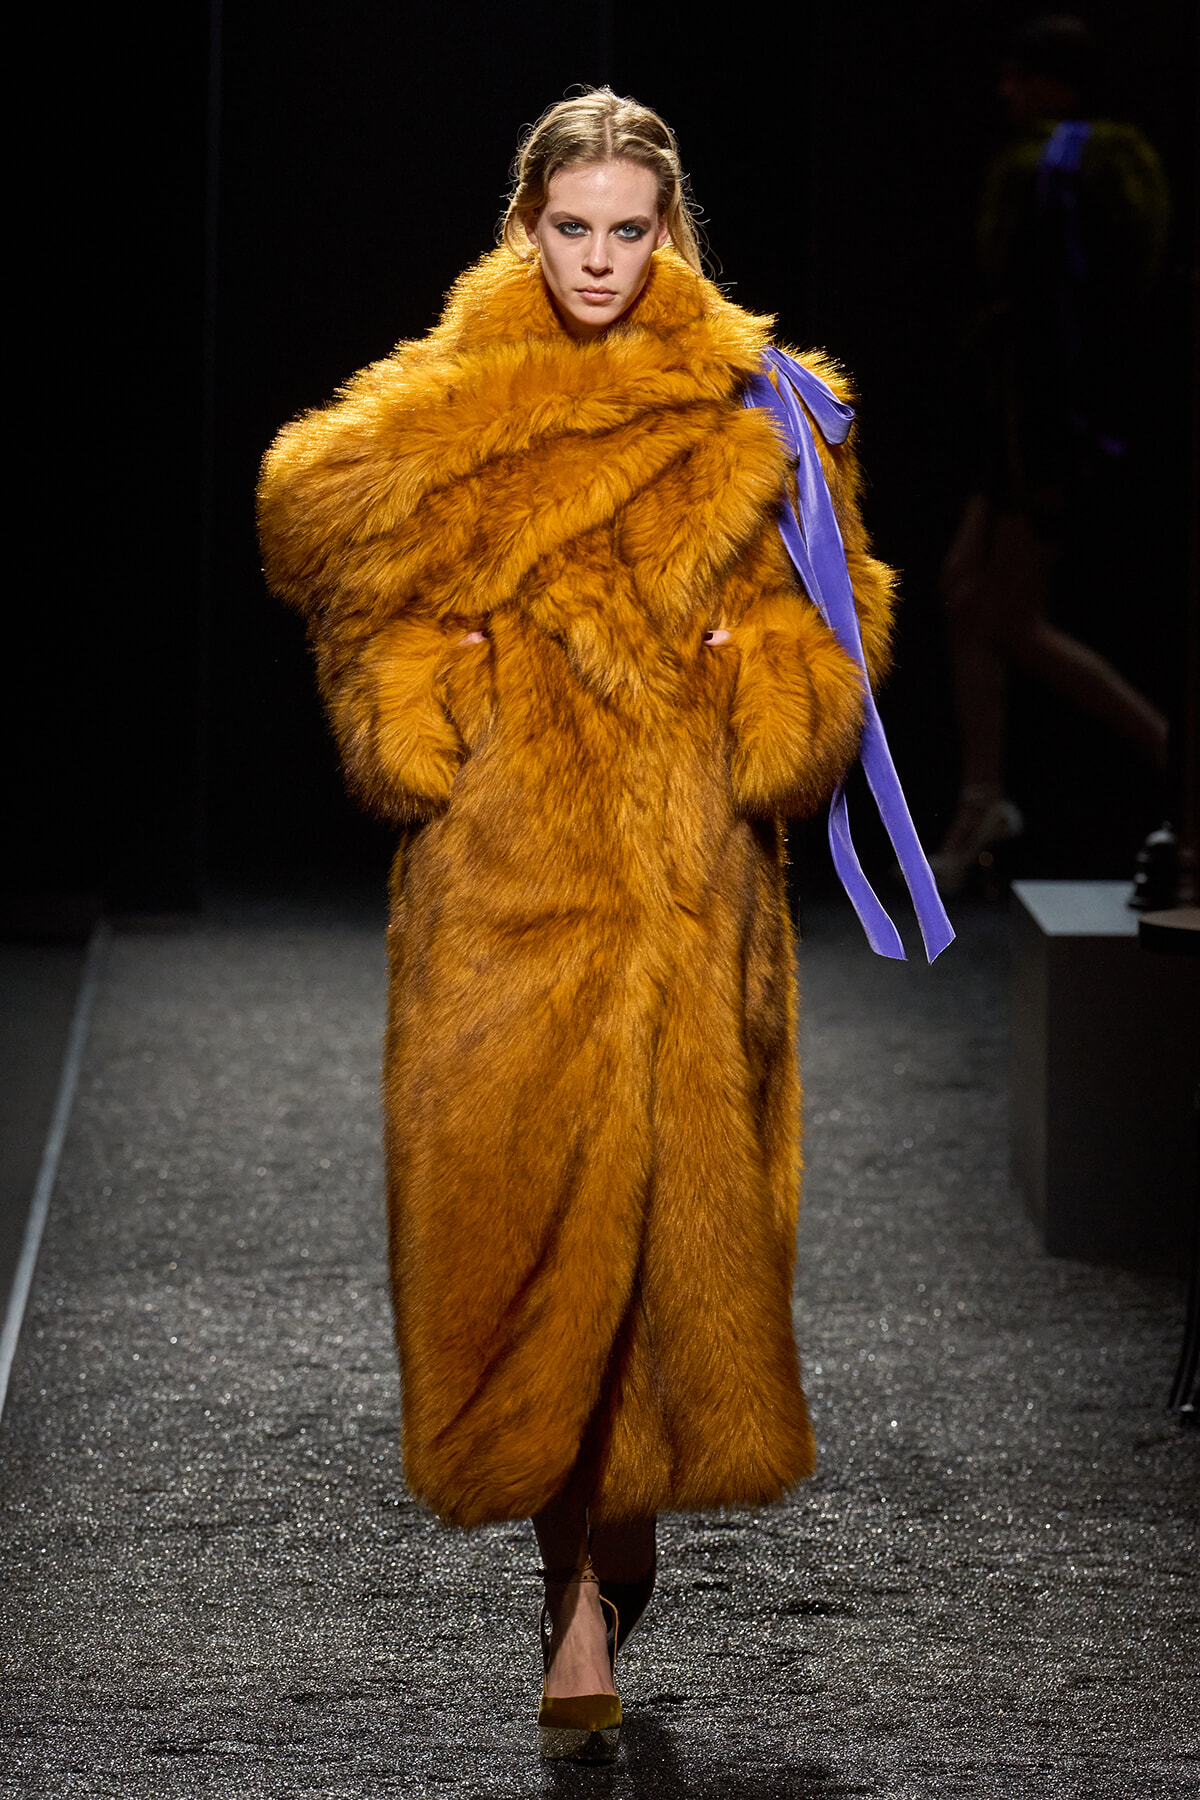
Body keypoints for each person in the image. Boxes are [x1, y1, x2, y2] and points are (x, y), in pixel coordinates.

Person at [256, 87, 897, 1762]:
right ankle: (576, 1606)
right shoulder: (444, 410)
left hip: (691, 908)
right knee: (524, 1229)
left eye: (629, 229)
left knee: (670, 1256)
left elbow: (830, 655)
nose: (601, 259)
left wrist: (756, 684)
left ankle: (609, 1553)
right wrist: (426, 704)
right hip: (505, 899)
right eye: (573, 228)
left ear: (668, 230)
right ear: (523, 224)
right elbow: (322, 552)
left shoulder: (768, 417)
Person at [933, 16, 1172, 894]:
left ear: (1057, 83)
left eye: (1023, 77)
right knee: (963, 594)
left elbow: (1081, 314)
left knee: (1005, 616)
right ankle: (983, 793)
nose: (1007, 93)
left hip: (1048, 417)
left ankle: (1172, 753)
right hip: (1013, 415)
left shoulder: (1068, 165)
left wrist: (1067, 429)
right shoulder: (1060, 164)